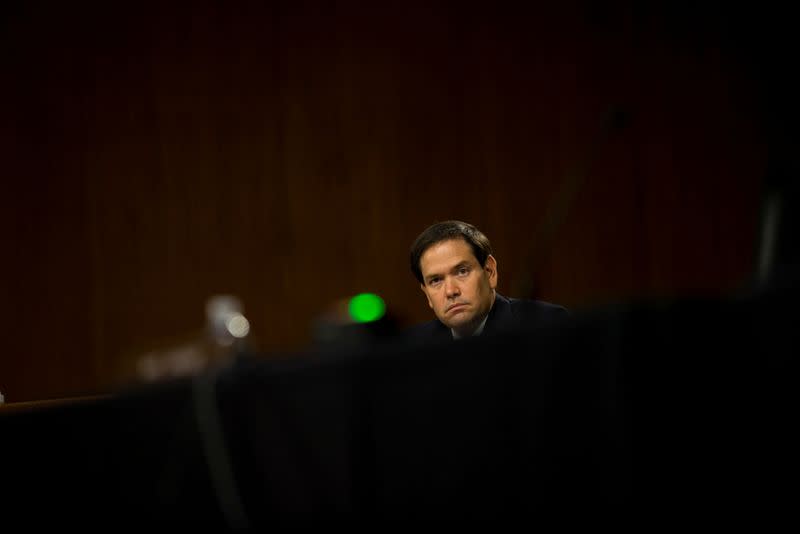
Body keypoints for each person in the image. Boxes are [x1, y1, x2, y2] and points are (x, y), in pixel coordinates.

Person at [406, 220, 569, 342]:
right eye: (435, 280)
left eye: (462, 271)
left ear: (490, 272)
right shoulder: (414, 346)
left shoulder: (547, 325)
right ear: (427, 294)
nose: (450, 291)